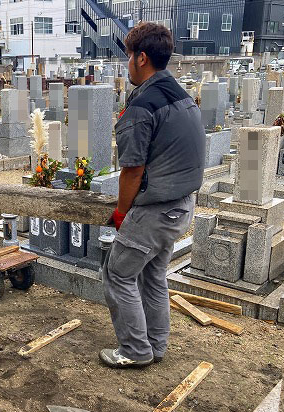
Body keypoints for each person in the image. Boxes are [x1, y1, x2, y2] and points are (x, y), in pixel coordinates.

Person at [99, 23, 206, 368]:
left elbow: (132, 169)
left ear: (141, 58)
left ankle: (134, 350)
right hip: (181, 206)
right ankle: (156, 346)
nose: (126, 64)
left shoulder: (143, 105)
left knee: (118, 273)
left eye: (128, 57)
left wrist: (121, 212)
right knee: (152, 276)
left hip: (155, 210)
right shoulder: (180, 94)